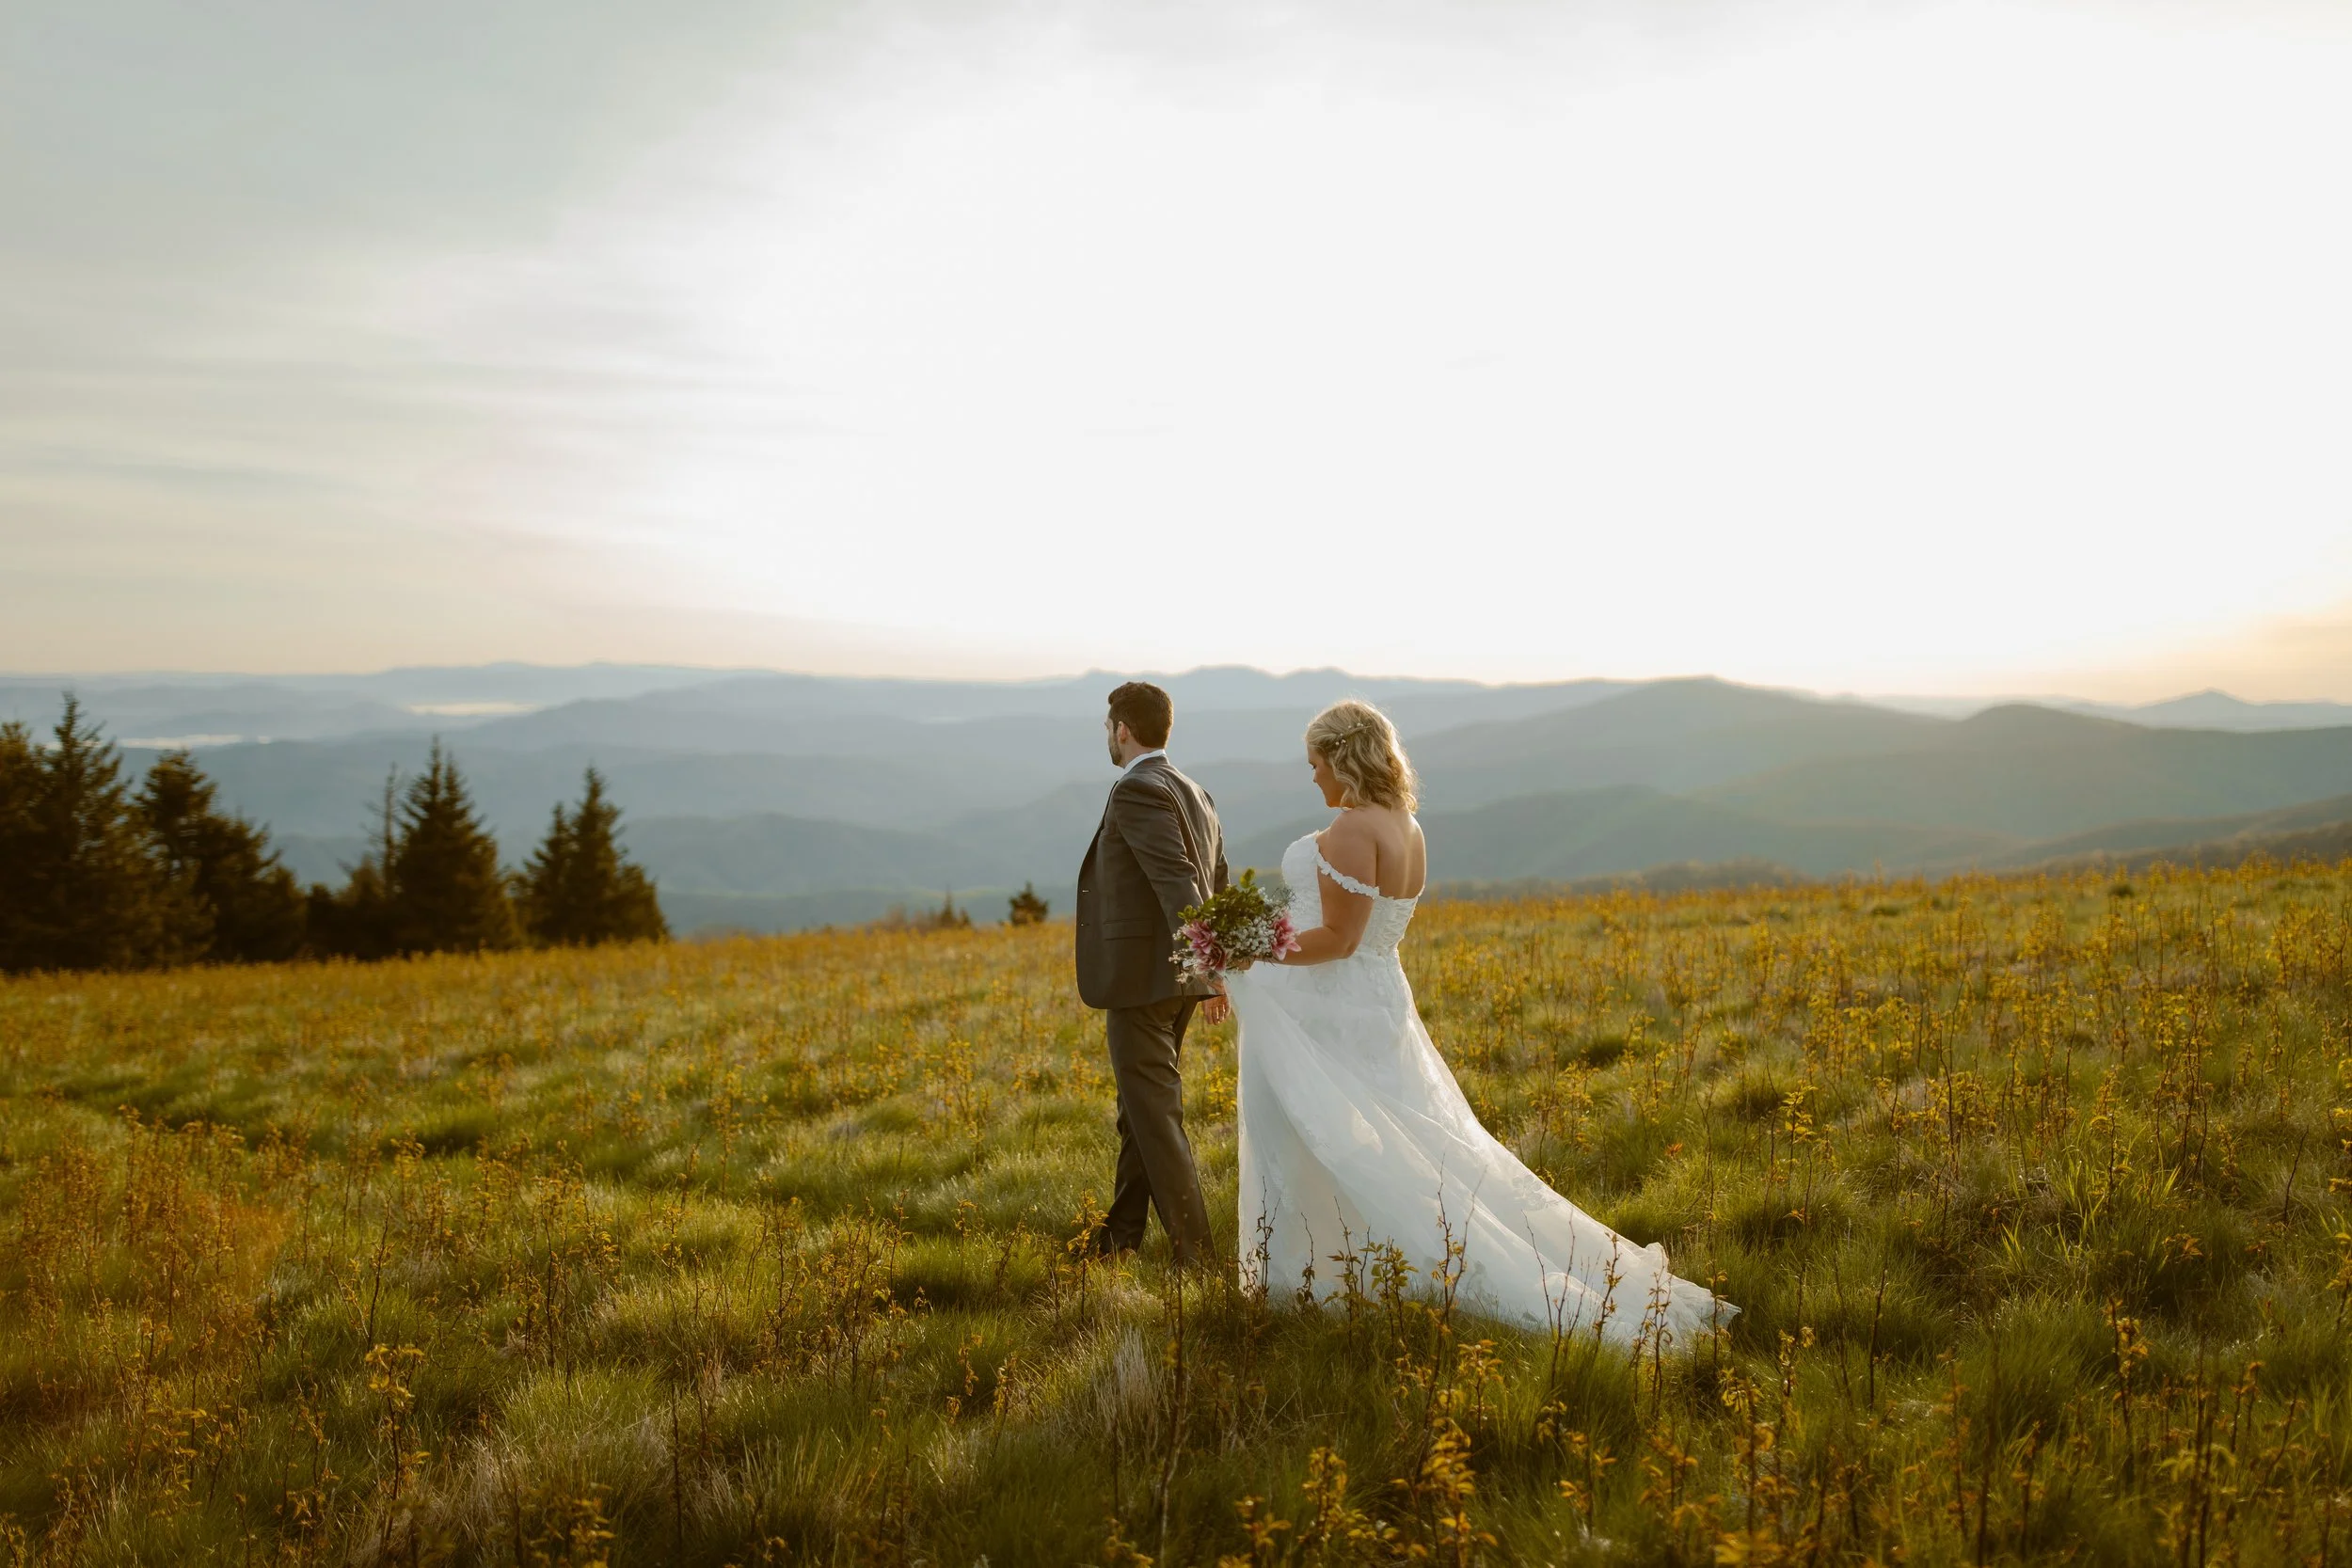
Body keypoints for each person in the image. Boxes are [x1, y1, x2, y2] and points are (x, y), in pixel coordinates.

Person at [1223, 699, 1734, 1344]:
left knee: (1313, 1140)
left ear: (1343, 760)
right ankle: (1346, 1274)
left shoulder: (1353, 830)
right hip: (1377, 1003)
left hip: (1331, 1008)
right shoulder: (1407, 826)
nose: (1313, 778)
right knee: (1391, 1143)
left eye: (1317, 763)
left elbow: (1342, 937)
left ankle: (1312, 1284)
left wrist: (1253, 946)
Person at [1073, 680, 1228, 1263]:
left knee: (1155, 1118)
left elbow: (1180, 882)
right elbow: (1220, 876)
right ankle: (1118, 1241)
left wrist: (1210, 968)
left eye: (1107, 727)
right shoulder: (1196, 791)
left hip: (1146, 979)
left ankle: (1200, 1258)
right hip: (1176, 981)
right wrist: (1208, 968)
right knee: (1139, 1113)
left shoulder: (1137, 789)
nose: (1108, 737)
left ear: (1122, 729)